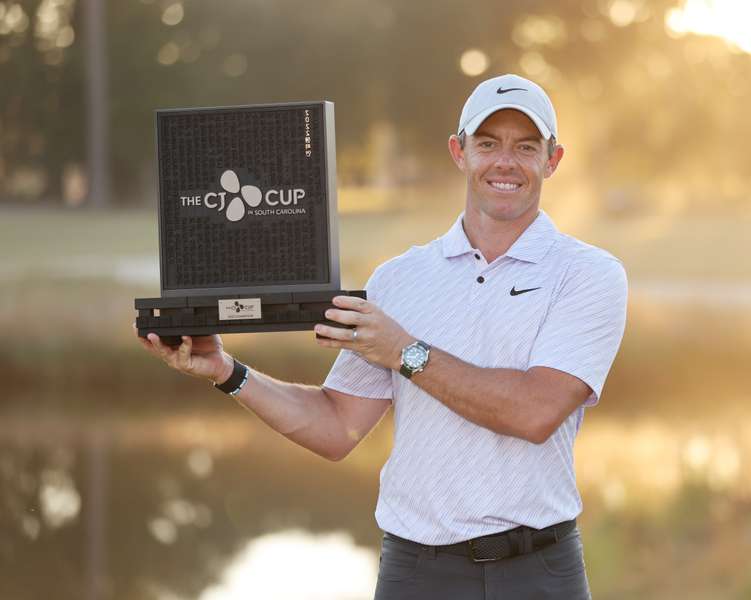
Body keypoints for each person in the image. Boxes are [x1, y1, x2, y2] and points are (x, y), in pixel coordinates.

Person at [136, 73, 627, 599]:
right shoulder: (399, 279)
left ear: (552, 160)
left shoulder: (587, 274)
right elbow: (336, 428)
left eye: (525, 147)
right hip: (418, 572)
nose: (504, 161)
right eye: (488, 144)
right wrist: (229, 372)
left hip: (537, 572)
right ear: (458, 152)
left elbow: (534, 412)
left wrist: (405, 353)